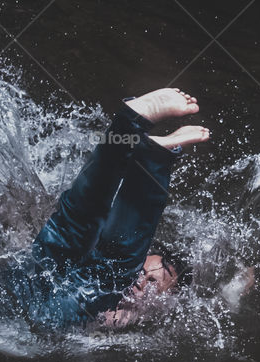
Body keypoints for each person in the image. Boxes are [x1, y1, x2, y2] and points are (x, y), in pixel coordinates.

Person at [23, 88, 210, 329]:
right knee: (79, 230)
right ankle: (140, 137)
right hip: (29, 291)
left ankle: (134, 128)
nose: (141, 282)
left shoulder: (136, 317)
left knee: (79, 237)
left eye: (153, 284)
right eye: (143, 273)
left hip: (27, 305)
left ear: (165, 301)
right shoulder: (115, 305)